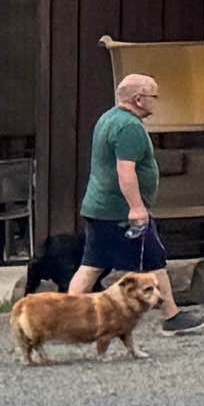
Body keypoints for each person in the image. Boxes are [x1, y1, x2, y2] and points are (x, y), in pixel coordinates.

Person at [76, 66, 168, 304]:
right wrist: (137, 208)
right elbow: (126, 170)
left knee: (91, 265)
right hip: (119, 211)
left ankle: (64, 312)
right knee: (154, 261)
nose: (156, 102)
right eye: (153, 97)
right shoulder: (129, 127)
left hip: (100, 206)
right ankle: (172, 315)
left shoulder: (108, 118)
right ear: (138, 99)